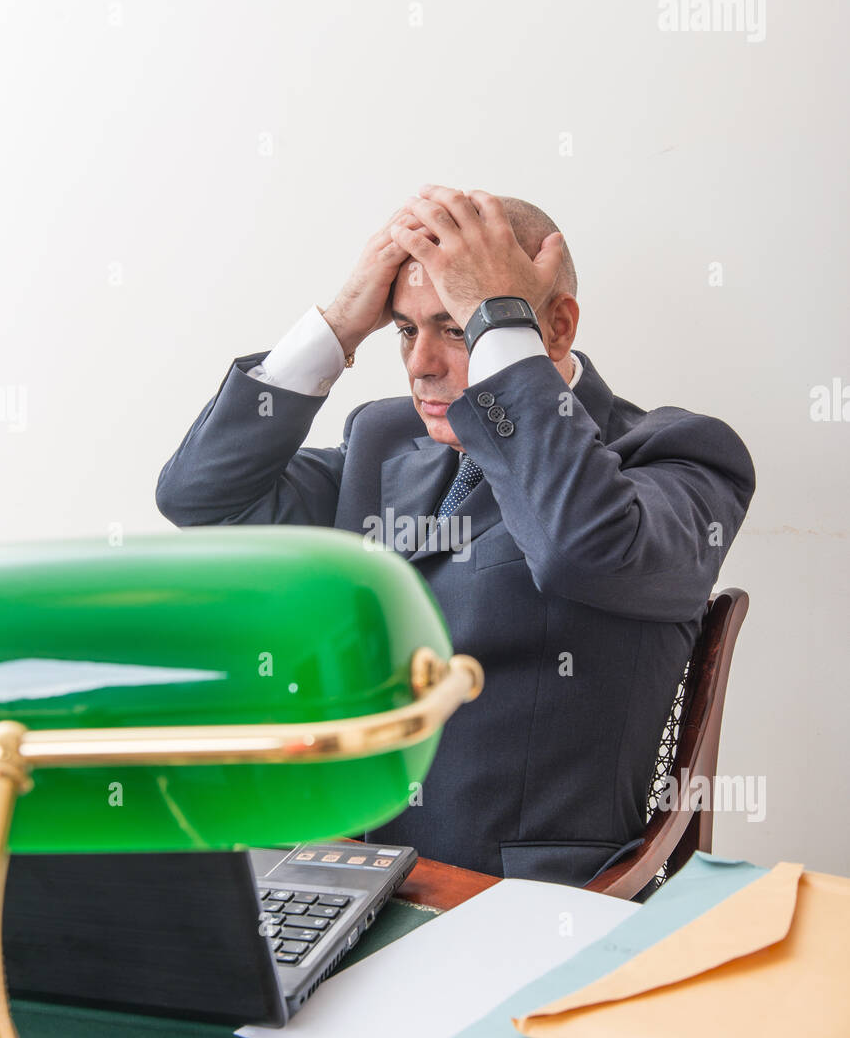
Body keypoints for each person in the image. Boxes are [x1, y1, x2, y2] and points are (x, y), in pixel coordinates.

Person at [156, 184, 755, 888]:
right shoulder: (387, 438)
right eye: (407, 329)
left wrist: (499, 323)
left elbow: (580, 550)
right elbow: (203, 502)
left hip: (517, 903)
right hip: (326, 866)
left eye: (458, 327)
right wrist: (340, 324)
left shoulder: (675, 453)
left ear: (554, 328)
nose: (420, 364)